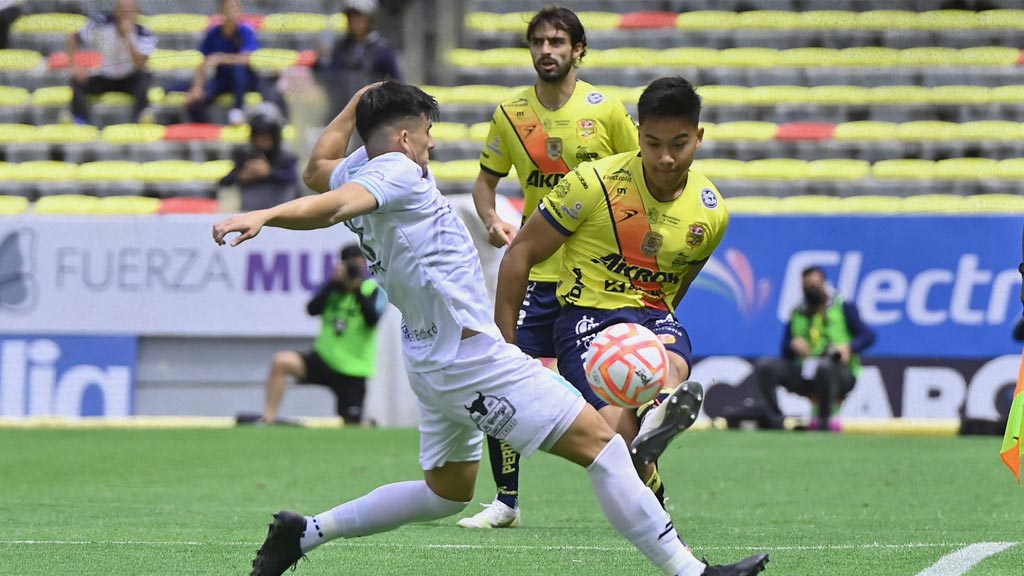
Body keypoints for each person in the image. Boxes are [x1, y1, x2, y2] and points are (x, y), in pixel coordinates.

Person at [212, 81, 768, 576]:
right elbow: (331, 205)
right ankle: (692, 572)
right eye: (426, 132)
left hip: (428, 356)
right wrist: (266, 215)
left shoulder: (364, 167)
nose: (432, 143)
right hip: (471, 358)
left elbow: (319, 169)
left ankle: (305, 533)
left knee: (447, 492)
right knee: (605, 447)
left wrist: (358, 104)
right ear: (404, 138)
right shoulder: (397, 170)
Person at [495, 75, 727, 517]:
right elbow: (520, 254)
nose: (665, 157)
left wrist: (656, 318)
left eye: (679, 144)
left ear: (698, 137)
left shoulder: (710, 211)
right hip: (588, 321)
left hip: (652, 315)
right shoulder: (593, 183)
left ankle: (660, 404)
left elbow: (678, 285)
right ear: (637, 133)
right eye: (653, 143)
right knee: (621, 446)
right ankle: (651, 445)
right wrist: (505, 346)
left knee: (671, 355)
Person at [460, 5, 639, 530]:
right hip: (534, 274)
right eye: (538, 42)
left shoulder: (606, 110)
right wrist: (492, 218)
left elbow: (640, 176)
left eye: (557, 42)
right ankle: (506, 502)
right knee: (498, 378)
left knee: (610, 392)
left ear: (578, 50)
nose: (546, 50)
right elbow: (484, 182)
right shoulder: (511, 113)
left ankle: (644, 492)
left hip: (595, 280)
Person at [251, 244, 383, 425]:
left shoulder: (373, 289)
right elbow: (312, 309)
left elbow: (372, 320)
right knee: (282, 361)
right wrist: (333, 284)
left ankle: (366, 423)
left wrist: (356, 289)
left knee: (352, 422)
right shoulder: (333, 288)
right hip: (324, 359)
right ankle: (269, 419)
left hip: (353, 368)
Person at [755, 266, 877, 432]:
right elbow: (784, 349)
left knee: (825, 367)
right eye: (807, 285)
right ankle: (774, 420)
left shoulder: (842, 306)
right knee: (766, 365)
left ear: (824, 283)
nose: (812, 289)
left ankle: (824, 421)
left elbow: (868, 335)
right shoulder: (797, 311)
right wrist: (793, 345)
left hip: (838, 372)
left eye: (816, 284)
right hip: (805, 371)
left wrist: (848, 348)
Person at [66, 0, 156, 125]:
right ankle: (81, 120)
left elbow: (140, 64)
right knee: (76, 81)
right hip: (105, 75)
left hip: (130, 77)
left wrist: (128, 37)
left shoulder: (143, 32)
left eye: (129, 10)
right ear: (116, 11)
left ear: (136, 13)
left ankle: (139, 119)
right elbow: (73, 37)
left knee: (145, 79)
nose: (126, 14)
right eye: (122, 9)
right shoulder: (101, 23)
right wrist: (75, 66)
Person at [314, 0, 401, 125]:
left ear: (370, 18)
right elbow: (331, 77)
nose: (355, 21)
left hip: (372, 117)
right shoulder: (342, 47)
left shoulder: (383, 50)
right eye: (351, 17)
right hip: (342, 113)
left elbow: (396, 84)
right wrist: (319, 62)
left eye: (359, 16)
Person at [187, 0, 260, 125]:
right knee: (194, 101)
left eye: (235, 7)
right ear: (221, 11)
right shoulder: (213, 33)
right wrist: (197, 87)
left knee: (238, 69)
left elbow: (246, 58)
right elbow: (203, 60)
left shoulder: (246, 31)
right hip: (222, 80)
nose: (232, 11)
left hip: (245, 81)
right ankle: (207, 129)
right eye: (228, 7)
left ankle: (238, 109)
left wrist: (220, 58)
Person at [219, 109, 298, 211]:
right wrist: (242, 176)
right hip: (250, 214)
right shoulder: (247, 157)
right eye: (258, 137)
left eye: (266, 137)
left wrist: (268, 173)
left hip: (280, 213)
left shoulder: (285, 158)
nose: (261, 141)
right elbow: (225, 181)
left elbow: (293, 178)